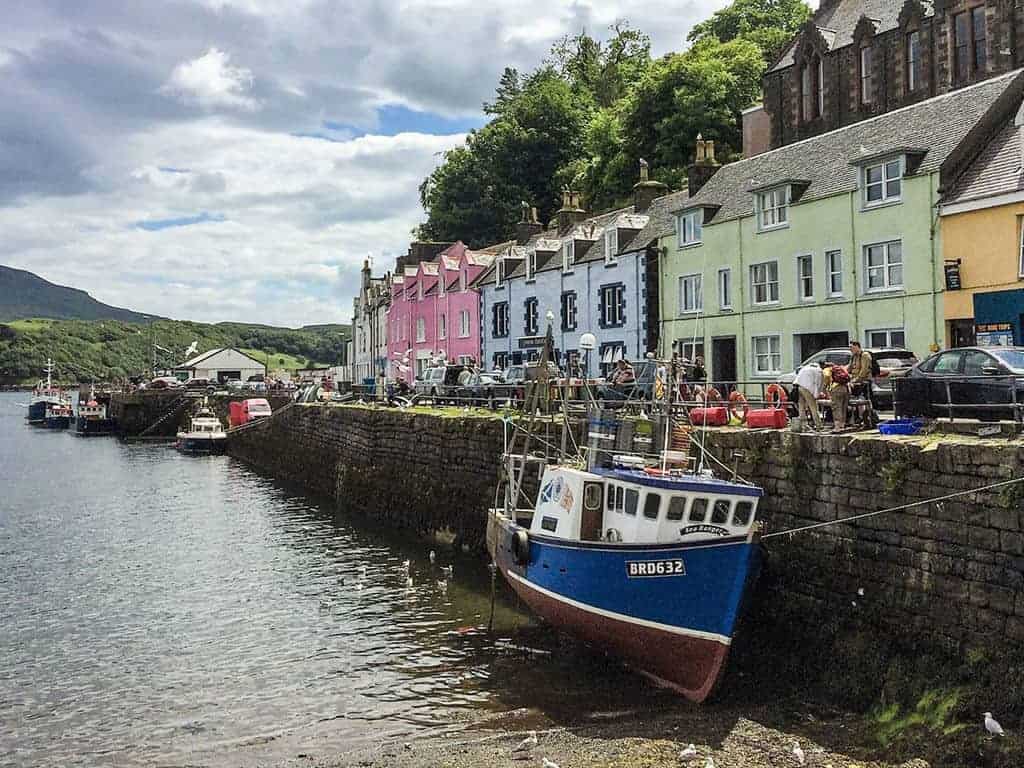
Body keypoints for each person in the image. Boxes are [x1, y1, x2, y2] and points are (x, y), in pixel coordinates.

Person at [848, 341, 876, 426]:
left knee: (866, 400)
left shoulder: (865, 355)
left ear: (857, 347)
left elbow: (864, 370)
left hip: (864, 382)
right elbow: (849, 368)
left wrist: (856, 380)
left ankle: (869, 418)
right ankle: (857, 418)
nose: (851, 349)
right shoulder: (853, 357)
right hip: (855, 382)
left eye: (852, 347)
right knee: (853, 400)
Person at [794, 360, 824, 431]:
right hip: (807, 388)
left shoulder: (807, 367)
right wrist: (817, 395)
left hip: (799, 386)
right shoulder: (819, 370)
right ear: (822, 366)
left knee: (801, 406)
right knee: (813, 406)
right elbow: (818, 384)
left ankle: (803, 425)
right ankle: (818, 425)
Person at [830, 362, 851, 432]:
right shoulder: (842, 369)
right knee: (843, 408)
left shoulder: (827, 371)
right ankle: (842, 425)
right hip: (846, 389)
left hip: (836, 388)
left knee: (836, 407)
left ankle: (837, 427)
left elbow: (826, 383)